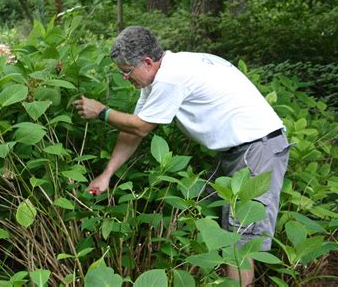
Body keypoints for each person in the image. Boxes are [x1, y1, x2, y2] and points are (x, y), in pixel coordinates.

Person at [73, 26, 290, 286]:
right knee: (208, 220)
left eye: (126, 72)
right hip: (239, 150)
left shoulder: (171, 78)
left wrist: (101, 111)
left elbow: (140, 126)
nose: (124, 78)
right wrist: (106, 175)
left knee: (239, 240)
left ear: (147, 61)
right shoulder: (162, 74)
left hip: (258, 148)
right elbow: (134, 129)